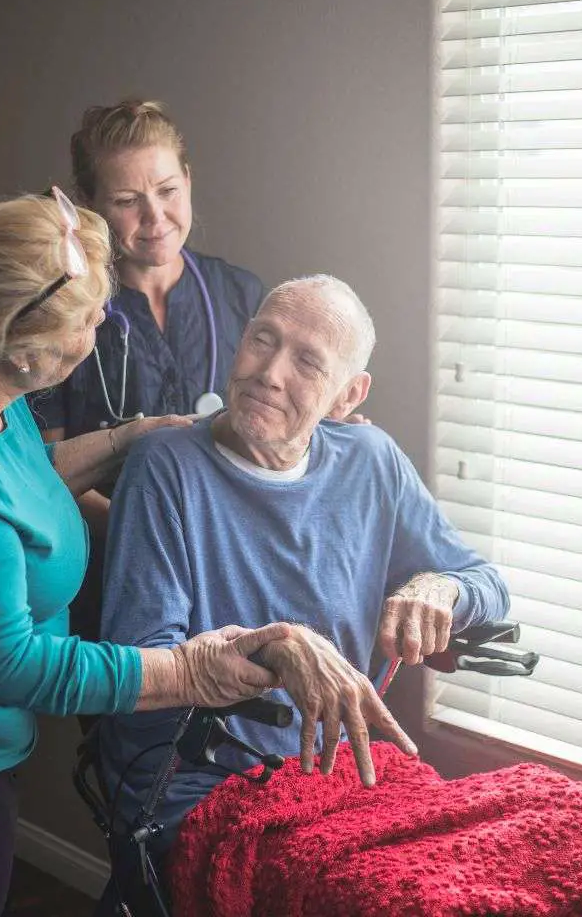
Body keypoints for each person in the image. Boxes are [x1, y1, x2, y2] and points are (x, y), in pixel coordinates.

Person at [0, 190, 292, 917]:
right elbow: (4, 663)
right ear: (22, 347)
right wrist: (190, 672)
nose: (103, 324)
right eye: (89, 318)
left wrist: (128, 437)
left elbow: (18, 484)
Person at [97, 275, 510, 892]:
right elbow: (140, 663)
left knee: (485, 879)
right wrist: (274, 647)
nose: (270, 371)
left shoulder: (372, 460)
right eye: (262, 340)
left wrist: (438, 588)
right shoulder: (166, 467)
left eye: (307, 361)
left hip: (341, 773)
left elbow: (485, 582)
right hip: (201, 780)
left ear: (348, 395)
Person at [29, 97, 265, 638]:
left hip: (233, 571)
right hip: (113, 577)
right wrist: (151, 536)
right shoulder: (64, 316)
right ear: (89, 205)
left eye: (167, 191)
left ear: (188, 179)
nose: (155, 218)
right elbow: (40, 472)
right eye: (127, 200)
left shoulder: (241, 295)